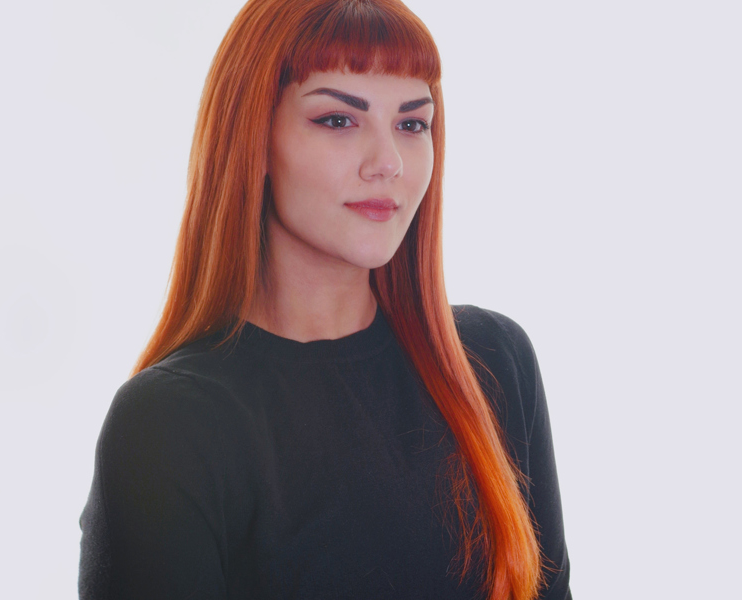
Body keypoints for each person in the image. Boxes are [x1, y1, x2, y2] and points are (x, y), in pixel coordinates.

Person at [78, 0, 572, 598]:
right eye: (339, 120)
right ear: (254, 138)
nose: (387, 162)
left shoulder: (494, 361)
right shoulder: (169, 427)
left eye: (412, 124)